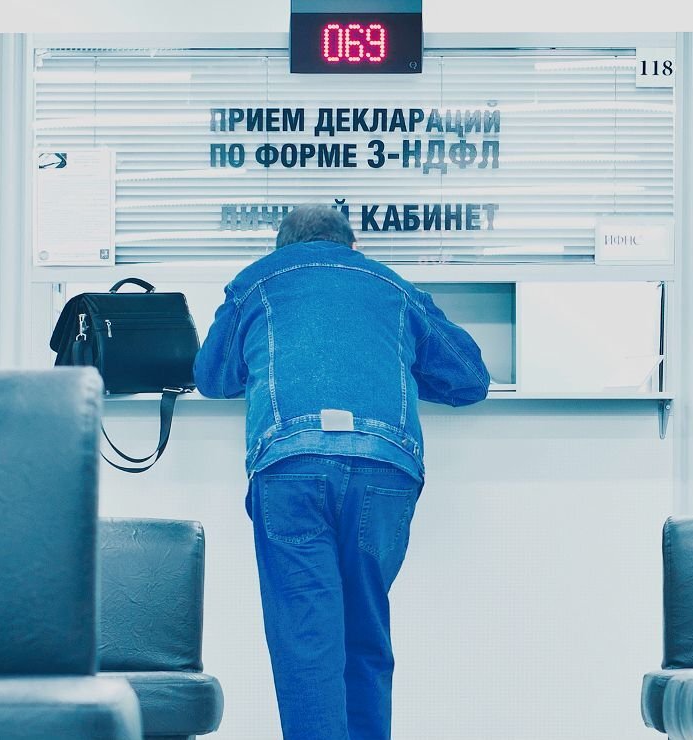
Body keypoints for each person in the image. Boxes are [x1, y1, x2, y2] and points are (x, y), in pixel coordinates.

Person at [193, 203, 490, 740]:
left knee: (307, 643)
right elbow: (469, 377)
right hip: (384, 468)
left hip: (293, 466)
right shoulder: (393, 285)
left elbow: (212, 377)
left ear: (281, 247)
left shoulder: (256, 281)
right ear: (352, 246)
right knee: (365, 639)